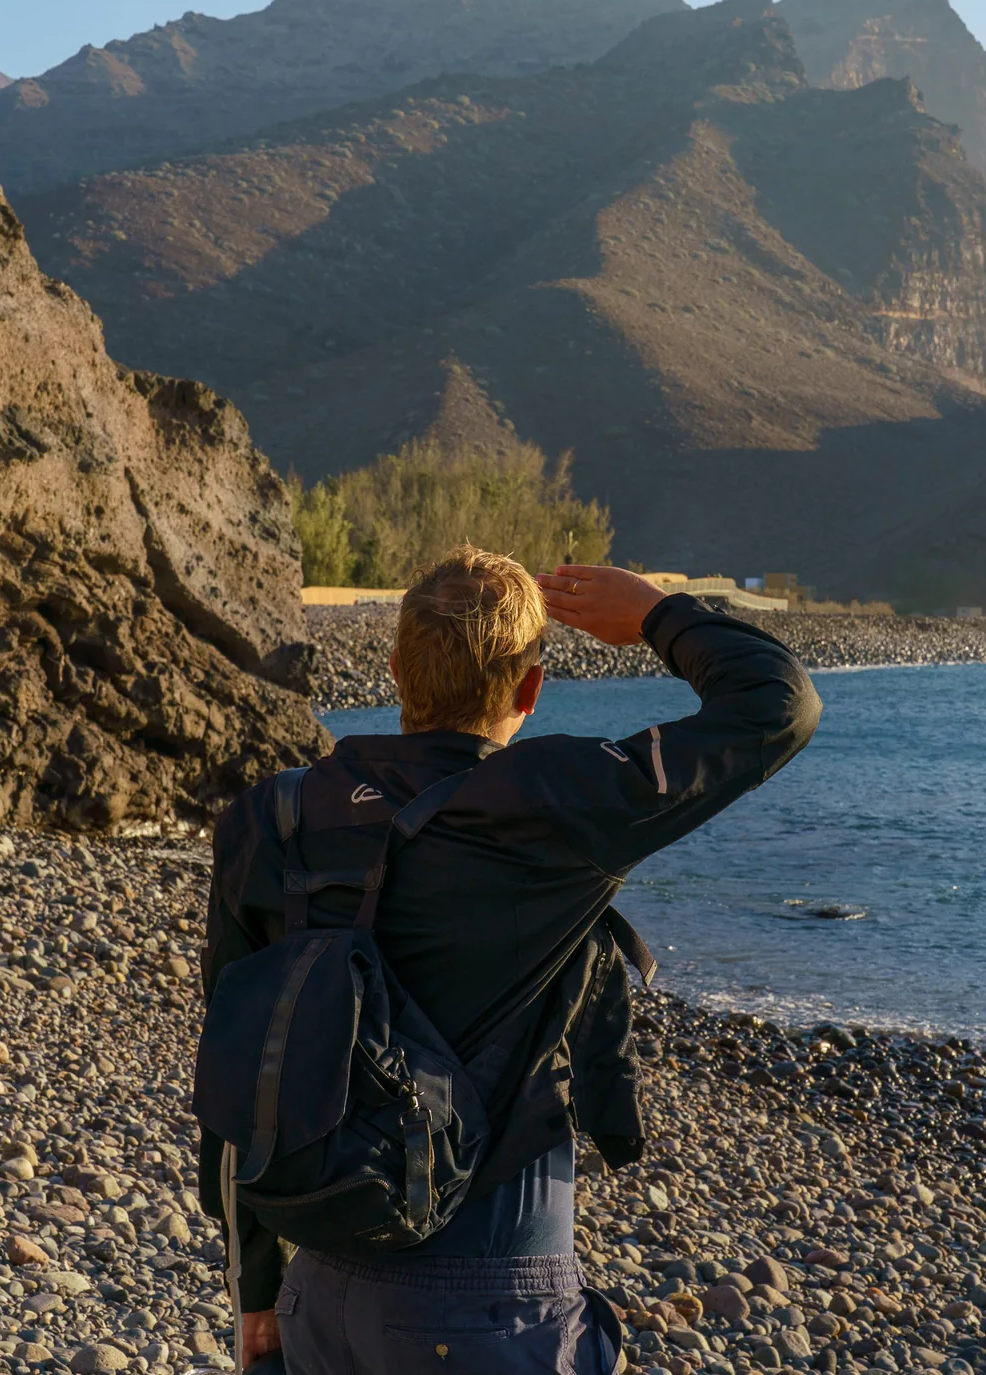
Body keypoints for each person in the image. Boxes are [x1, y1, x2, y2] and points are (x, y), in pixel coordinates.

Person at [199, 547, 821, 1373]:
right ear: (530, 690)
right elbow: (778, 703)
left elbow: (238, 1055)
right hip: (489, 1301)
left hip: (320, 1292)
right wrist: (653, 615)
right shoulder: (551, 801)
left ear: (397, 671)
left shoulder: (274, 816)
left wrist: (255, 1284)